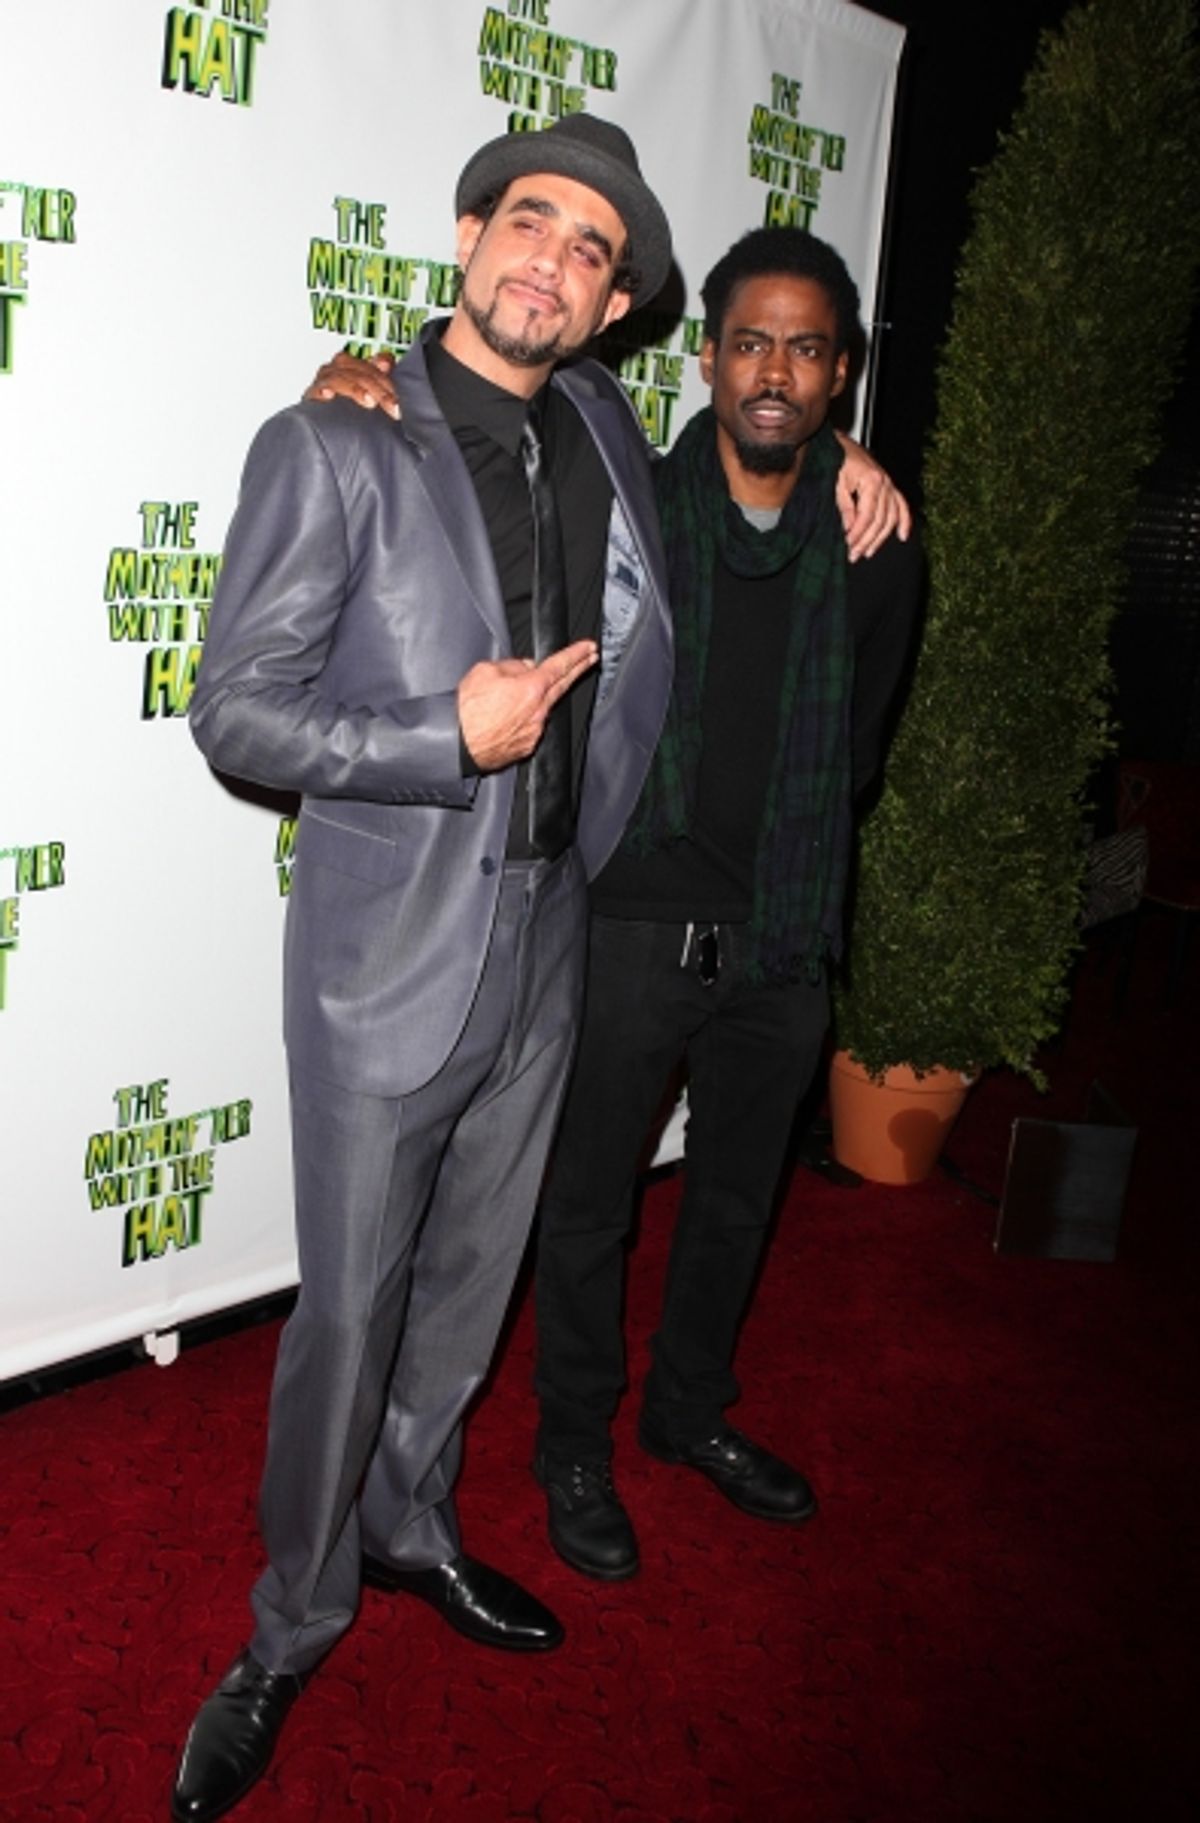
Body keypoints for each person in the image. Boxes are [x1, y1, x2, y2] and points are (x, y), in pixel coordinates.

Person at [172, 114, 679, 1823]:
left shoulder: (607, 424)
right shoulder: (335, 443)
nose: (552, 258)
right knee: (352, 1308)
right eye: (529, 221)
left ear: (611, 312)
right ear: (468, 238)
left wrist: (849, 460)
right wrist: (435, 735)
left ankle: (410, 1525)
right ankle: (291, 1623)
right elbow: (235, 709)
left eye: (592, 249)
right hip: (389, 951)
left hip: (549, 932)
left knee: (470, 1289)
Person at [299, 224, 919, 1587]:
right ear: (705, 359)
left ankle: (690, 1414)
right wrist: (358, 375)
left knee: (738, 1202)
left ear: (841, 376)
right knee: (585, 1211)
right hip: (633, 923)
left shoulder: (880, 551)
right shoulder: (628, 497)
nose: (773, 371)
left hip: (787, 934)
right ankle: (571, 1444)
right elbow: (476, 403)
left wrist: (858, 478)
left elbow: (860, 746)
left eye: (805, 348)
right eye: (748, 341)